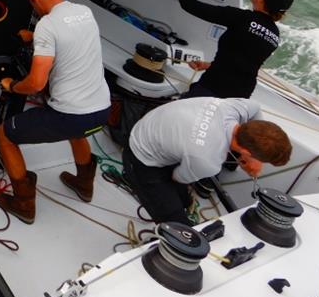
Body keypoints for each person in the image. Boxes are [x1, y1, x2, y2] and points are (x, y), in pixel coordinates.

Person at [0, 0, 111, 223]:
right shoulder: (84, 12)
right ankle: (84, 185)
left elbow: (36, 84)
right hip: (101, 111)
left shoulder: (48, 26)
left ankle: (24, 204)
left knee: (4, 135)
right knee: (78, 133)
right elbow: (68, 36)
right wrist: (35, 36)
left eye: (33, 6)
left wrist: (12, 86)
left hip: (68, 116)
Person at [123, 96, 291, 225]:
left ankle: (185, 202)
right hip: (142, 156)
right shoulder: (209, 161)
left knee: (184, 199)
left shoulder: (236, 107)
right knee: (176, 222)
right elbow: (176, 177)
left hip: (155, 126)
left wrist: (249, 157)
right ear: (246, 151)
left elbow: (256, 109)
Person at [170, 0, 294, 99]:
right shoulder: (274, 34)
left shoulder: (243, 18)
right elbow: (244, 64)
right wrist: (209, 65)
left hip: (213, 89)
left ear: (262, 0)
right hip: (240, 97)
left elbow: (190, 5)